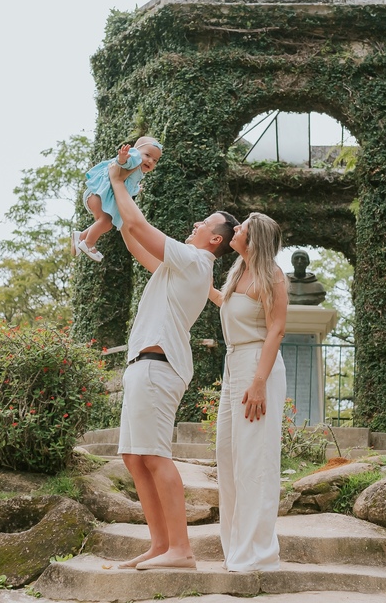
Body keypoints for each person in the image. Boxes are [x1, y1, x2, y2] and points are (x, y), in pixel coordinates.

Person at [107, 160, 238, 570]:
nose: (196, 224)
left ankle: (181, 549)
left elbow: (144, 229)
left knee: (156, 456)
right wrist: (117, 199)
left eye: (204, 224)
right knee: (134, 457)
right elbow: (133, 237)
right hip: (145, 364)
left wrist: (117, 181)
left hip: (158, 365)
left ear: (214, 239)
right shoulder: (180, 266)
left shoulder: (197, 261)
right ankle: (161, 545)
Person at [207, 212, 288, 573]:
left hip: (259, 366)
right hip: (233, 363)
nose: (234, 230)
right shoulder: (238, 271)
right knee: (227, 455)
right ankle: (234, 547)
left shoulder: (273, 276)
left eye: (240, 229)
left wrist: (259, 382)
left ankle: (256, 552)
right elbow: (225, 304)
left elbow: (276, 330)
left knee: (255, 460)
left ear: (255, 239)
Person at [73, 136, 163, 262]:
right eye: (147, 155)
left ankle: (81, 236)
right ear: (136, 151)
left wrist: (137, 189)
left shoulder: (138, 172)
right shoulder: (135, 158)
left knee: (107, 222)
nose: (150, 161)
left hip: (98, 195)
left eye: (155, 160)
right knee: (105, 221)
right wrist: (122, 159)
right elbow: (125, 162)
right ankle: (88, 243)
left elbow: (128, 187)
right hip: (98, 195)